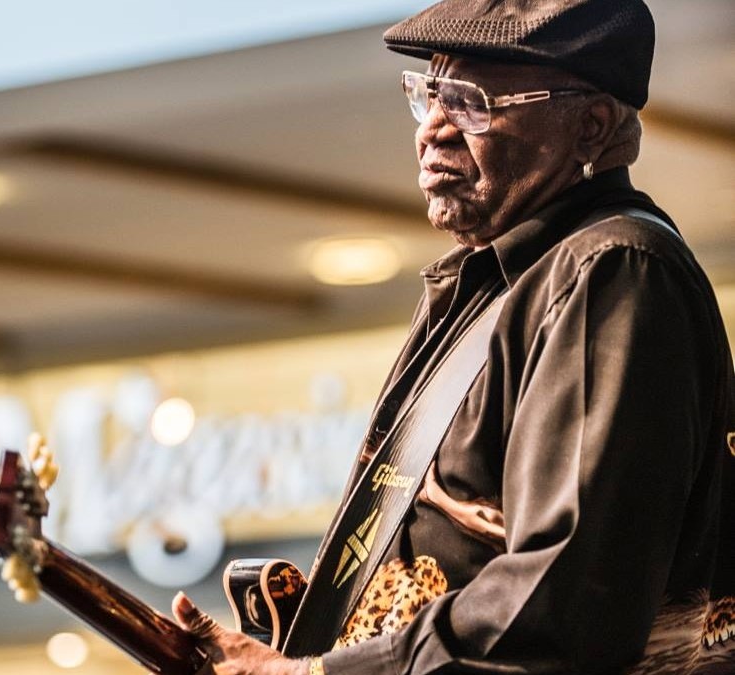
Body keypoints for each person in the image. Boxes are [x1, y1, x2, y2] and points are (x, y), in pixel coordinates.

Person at [171, 1, 735, 673]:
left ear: (591, 127)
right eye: (428, 94)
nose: (432, 129)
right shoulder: (495, 282)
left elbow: (565, 601)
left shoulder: (613, 271)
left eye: (471, 101)